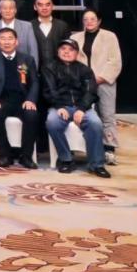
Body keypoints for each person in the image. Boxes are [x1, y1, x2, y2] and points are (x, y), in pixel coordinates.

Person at [43, 37, 110, 178]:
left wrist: (81, 109)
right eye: (63, 49)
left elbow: (90, 92)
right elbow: (49, 90)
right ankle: (66, 159)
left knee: (95, 123)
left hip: (82, 107)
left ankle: (97, 164)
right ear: (58, 51)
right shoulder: (49, 68)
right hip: (60, 106)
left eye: (71, 50)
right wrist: (59, 106)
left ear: (77, 53)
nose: (66, 52)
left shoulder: (85, 70)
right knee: (52, 122)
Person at [0, 26, 40, 168]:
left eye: (10, 38)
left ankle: (26, 156)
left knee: (32, 115)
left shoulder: (27, 59)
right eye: (3, 39)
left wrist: (31, 100)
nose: (6, 42)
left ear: (17, 42)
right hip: (1, 99)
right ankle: (5, 154)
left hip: (22, 99)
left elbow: (35, 82)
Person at [71, 10, 122, 166]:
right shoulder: (75, 38)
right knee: (86, 115)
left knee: (107, 115)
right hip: (82, 83)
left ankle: (109, 149)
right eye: (86, 19)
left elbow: (115, 61)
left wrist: (99, 79)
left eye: (93, 19)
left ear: (99, 21)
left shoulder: (110, 36)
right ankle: (88, 147)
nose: (89, 22)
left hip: (104, 81)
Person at [0, 0, 39, 64]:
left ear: (15, 10)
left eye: (11, 8)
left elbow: (33, 50)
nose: (8, 11)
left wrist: (33, 68)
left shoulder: (27, 26)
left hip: (22, 67)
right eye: (4, 8)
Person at [32, 0, 72, 71]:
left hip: (60, 70)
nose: (44, 8)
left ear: (52, 6)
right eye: (40, 5)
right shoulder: (29, 26)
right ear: (35, 7)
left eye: (47, 5)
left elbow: (68, 48)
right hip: (36, 70)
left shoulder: (62, 25)